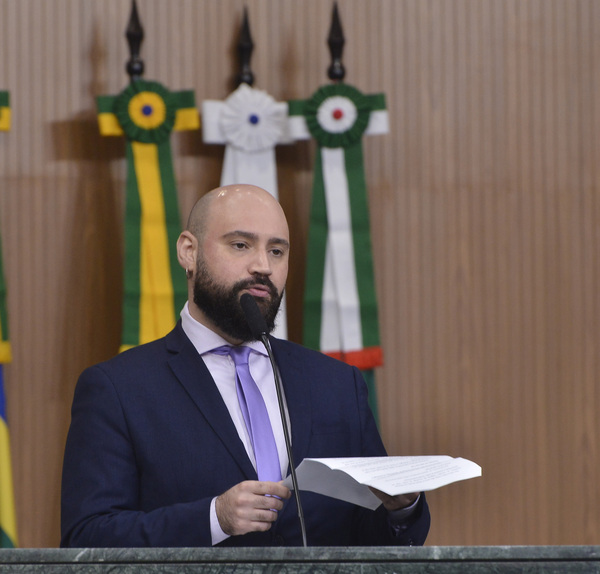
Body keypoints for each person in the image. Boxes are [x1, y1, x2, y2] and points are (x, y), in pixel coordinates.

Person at [61, 184, 430, 547]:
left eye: (277, 251)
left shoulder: (336, 384)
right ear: (188, 252)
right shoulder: (118, 388)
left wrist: (403, 508)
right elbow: (87, 537)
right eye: (240, 245)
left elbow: (371, 536)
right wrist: (214, 518)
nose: (263, 266)